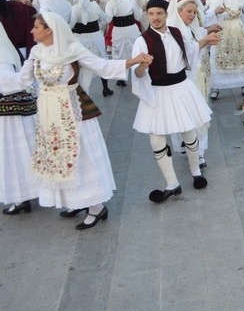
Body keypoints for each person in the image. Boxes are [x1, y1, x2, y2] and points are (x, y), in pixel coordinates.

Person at [0, 12, 150, 228]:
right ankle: (76, 201)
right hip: (48, 114)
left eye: (36, 27)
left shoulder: (72, 50)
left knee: (81, 156)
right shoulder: (36, 52)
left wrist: (133, 61)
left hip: (73, 110)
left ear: (49, 30)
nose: (32, 31)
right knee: (59, 157)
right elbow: (22, 80)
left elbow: (103, 67)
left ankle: (96, 207)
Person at [131, 0, 214, 203]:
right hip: (157, 92)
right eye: (151, 14)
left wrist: (206, 40)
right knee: (156, 139)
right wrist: (142, 66)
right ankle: (172, 184)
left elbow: (191, 50)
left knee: (188, 130)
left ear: (166, 14)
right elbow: (138, 73)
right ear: (147, 16)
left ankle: (196, 172)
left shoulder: (176, 33)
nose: (156, 18)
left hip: (180, 88)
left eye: (159, 13)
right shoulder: (142, 41)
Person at [166, 0, 220, 169]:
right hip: (186, 78)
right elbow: (185, 50)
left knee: (198, 113)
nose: (192, 15)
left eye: (194, 11)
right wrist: (204, 41)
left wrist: (207, 34)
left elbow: (195, 35)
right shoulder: (172, 29)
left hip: (199, 74)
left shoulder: (189, 25)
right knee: (195, 116)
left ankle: (197, 150)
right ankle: (197, 152)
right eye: (188, 11)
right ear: (178, 10)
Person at [0, 25, 38, 215]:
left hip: (10, 115)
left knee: (15, 157)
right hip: (13, 112)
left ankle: (22, 196)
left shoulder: (3, 57)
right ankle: (22, 197)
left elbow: (12, 80)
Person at [71, 0, 114, 97]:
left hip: (81, 39)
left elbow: (71, 24)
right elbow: (105, 19)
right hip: (96, 38)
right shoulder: (94, 5)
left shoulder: (75, 8)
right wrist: (110, 9)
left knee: (82, 65)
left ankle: (83, 91)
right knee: (102, 61)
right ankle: (105, 88)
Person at [105, 0, 142, 87]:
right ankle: (137, 74)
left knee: (118, 51)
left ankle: (121, 76)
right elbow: (138, 17)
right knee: (134, 49)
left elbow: (108, 19)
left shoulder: (110, 4)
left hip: (118, 30)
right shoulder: (130, 1)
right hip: (131, 28)